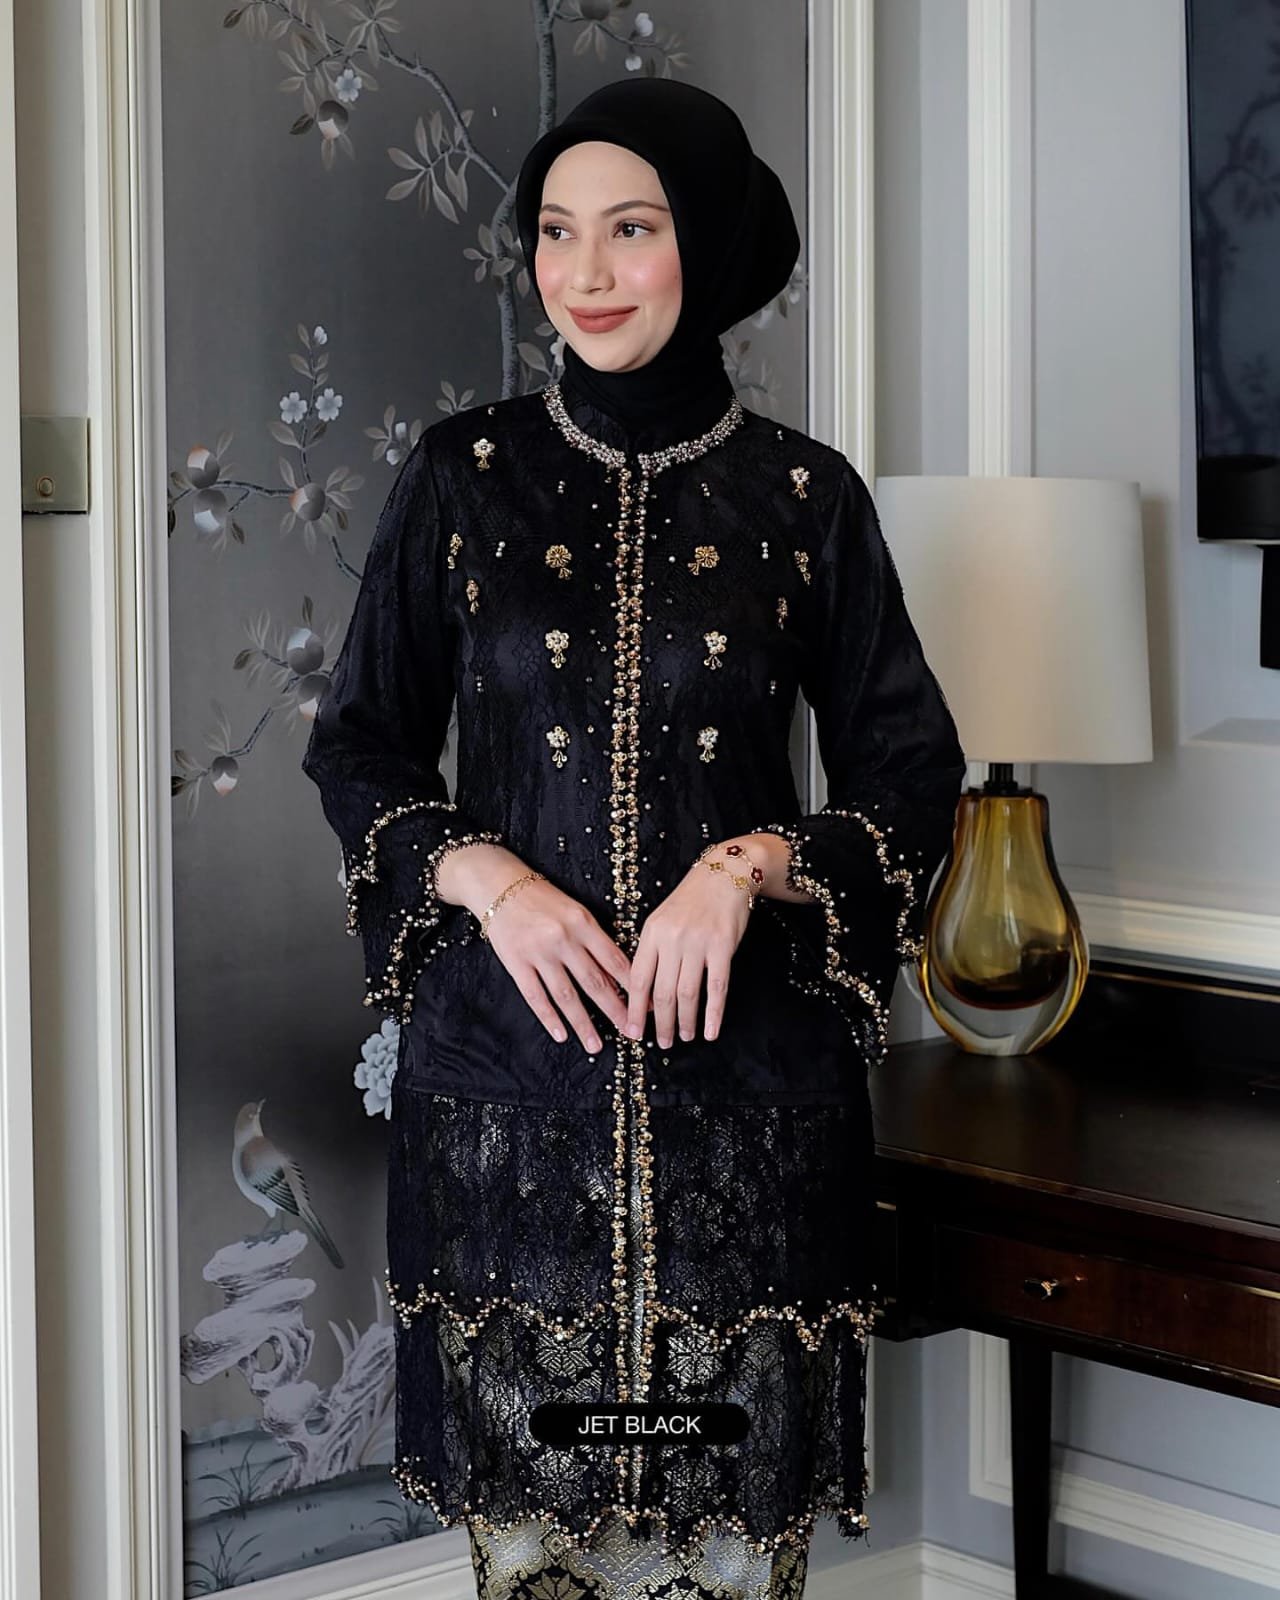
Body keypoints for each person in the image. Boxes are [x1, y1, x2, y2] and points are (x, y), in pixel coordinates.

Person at [301, 76, 966, 1600]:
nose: (586, 273)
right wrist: (490, 881)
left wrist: (748, 871)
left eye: (632, 229)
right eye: (555, 232)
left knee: (729, 1572)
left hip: (746, 1128)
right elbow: (359, 745)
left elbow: (912, 776)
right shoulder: (461, 479)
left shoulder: (805, 499)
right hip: (507, 1128)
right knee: (535, 1571)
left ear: (707, 244)